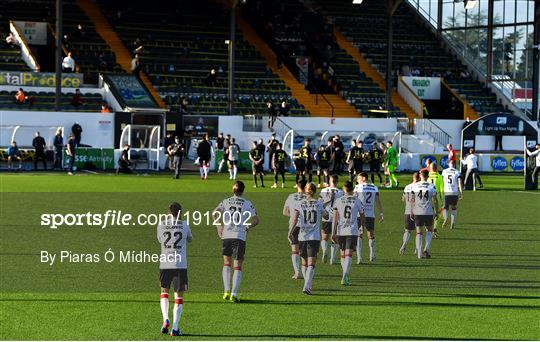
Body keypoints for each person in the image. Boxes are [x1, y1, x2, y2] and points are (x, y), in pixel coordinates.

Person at [213, 181, 259, 302]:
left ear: (233, 190)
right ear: (243, 191)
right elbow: (256, 220)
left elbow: (214, 212)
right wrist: (248, 226)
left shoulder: (226, 201)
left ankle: (226, 290)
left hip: (227, 235)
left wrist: (219, 226)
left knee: (226, 263)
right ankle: (234, 293)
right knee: (237, 266)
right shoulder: (247, 203)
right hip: (239, 236)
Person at [157, 202, 192, 336]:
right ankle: (175, 328)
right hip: (180, 264)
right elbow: (190, 239)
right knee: (179, 296)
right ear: (180, 213)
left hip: (165, 263)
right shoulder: (184, 224)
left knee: (164, 291)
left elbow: (160, 240)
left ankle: (166, 318)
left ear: (168, 212)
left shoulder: (161, 224)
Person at [288, 183, 324, 295]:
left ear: (306, 191)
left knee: (304, 263)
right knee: (311, 263)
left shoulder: (300, 203)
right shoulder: (319, 204)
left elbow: (294, 219)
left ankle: (307, 284)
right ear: (315, 191)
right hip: (314, 237)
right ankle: (306, 286)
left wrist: (290, 231)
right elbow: (326, 216)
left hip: (302, 236)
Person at [331, 181, 364, 285]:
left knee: (342, 255)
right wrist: (362, 226)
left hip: (340, 230)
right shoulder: (357, 200)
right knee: (349, 254)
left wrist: (333, 232)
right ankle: (345, 274)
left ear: (344, 189)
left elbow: (335, 218)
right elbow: (362, 215)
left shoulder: (338, 200)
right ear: (353, 189)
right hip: (352, 230)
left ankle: (344, 274)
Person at [354, 172, 384, 263]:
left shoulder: (357, 187)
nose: (357, 181)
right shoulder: (374, 187)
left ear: (363, 178)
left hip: (360, 214)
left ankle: (359, 258)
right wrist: (381, 212)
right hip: (370, 214)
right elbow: (378, 201)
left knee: (359, 234)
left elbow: (354, 200)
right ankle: (372, 255)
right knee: (370, 235)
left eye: (358, 179)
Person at [410, 170, 439, 259]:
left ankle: (419, 253)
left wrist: (411, 211)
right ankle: (426, 250)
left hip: (418, 212)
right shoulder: (431, 186)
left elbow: (412, 200)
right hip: (428, 212)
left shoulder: (415, 186)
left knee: (418, 232)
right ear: (427, 176)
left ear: (420, 176)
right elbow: (435, 200)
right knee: (429, 230)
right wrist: (436, 211)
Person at [283, 179, 307, 278]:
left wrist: (293, 216)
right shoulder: (308, 198)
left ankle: (297, 272)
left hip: (294, 226)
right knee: (304, 251)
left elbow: (284, 212)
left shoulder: (291, 196)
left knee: (294, 250)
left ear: (297, 185)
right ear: (306, 187)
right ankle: (305, 271)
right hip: (306, 227)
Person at [319, 175, 343, 264]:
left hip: (326, 215)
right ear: (337, 182)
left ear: (330, 181)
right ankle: (332, 259)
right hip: (337, 217)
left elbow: (319, 202)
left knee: (324, 237)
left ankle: (325, 251)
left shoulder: (323, 191)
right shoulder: (340, 192)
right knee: (335, 237)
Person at [399, 173, 420, 255]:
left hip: (407, 211)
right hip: (418, 211)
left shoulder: (407, 187)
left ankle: (403, 245)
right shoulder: (419, 187)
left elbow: (403, 199)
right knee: (418, 232)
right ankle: (417, 248)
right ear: (419, 178)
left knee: (407, 231)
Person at [441, 160, 463, 229]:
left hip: (446, 191)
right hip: (454, 192)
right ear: (455, 164)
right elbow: (459, 183)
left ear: (448, 164)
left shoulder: (444, 171)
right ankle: (452, 223)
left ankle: (446, 218)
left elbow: (442, 182)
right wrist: (461, 192)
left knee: (445, 208)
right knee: (454, 208)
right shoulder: (457, 172)